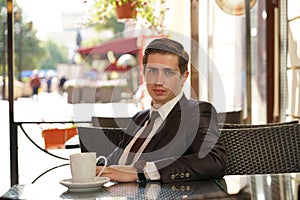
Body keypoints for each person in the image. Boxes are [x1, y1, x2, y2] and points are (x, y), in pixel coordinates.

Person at [96, 38, 227, 183]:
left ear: (183, 77)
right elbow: (113, 162)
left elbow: (214, 160)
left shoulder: (197, 112)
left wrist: (140, 173)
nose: (158, 81)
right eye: (152, 71)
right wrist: (86, 167)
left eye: (169, 73)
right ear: (144, 74)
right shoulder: (139, 119)